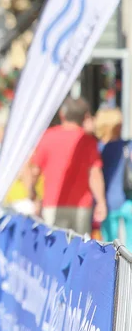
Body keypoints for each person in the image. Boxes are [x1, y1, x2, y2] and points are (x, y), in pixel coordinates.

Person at [29, 97, 107, 235]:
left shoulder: (48, 136)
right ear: (84, 117)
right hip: (82, 206)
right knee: (79, 249)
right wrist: (101, 201)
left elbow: (35, 170)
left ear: (62, 114)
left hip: (53, 204)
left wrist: (32, 192)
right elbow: (94, 174)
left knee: (55, 247)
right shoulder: (88, 141)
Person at [95, 108, 132, 244]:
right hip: (128, 201)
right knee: (129, 247)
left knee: (110, 246)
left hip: (106, 204)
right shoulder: (128, 145)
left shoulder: (97, 148)